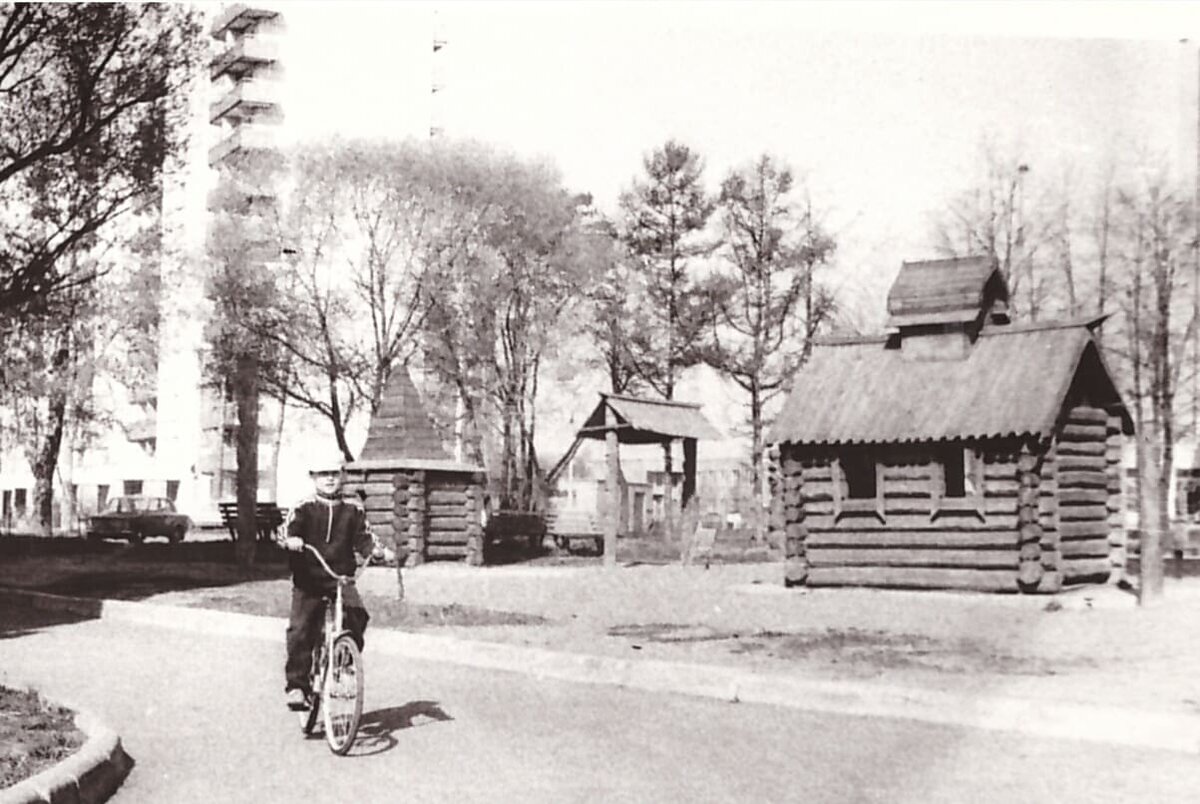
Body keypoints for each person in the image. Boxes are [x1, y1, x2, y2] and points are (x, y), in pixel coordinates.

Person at [279, 456, 383, 710]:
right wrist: (291, 541)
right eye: (323, 474)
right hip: (309, 578)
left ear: (342, 477)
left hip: (340, 578)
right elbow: (288, 530)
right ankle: (297, 686)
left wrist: (377, 550)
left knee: (357, 616)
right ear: (313, 477)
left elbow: (364, 537)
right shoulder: (304, 507)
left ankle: (344, 660)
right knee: (300, 629)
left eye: (334, 474)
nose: (329, 479)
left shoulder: (352, 509)